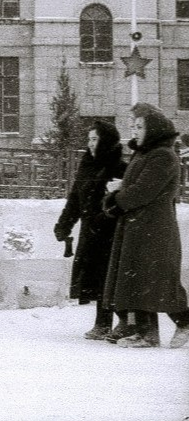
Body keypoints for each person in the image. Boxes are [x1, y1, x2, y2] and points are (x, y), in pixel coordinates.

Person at [100, 102, 189, 349]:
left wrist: (116, 200)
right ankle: (146, 333)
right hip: (139, 225)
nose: (134, 130)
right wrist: (120, 188)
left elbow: (143, 190)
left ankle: (184, 320)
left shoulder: (162, 155)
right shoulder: (145, 153)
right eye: (133, 125)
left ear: (154, 130)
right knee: (138, 278)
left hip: (154, 227)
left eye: (139, 126)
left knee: (158, 279)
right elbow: (137, 185)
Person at [53, 120, 127, 339]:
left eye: (95, 139)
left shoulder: (120, 167)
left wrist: (106, 214)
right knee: (95, 277)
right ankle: (102, 324)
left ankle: (123, 323)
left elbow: (123, 201)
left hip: (111, 232)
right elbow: (75, 199)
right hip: (91, 230)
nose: (91, 144)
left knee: (109, 278)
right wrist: (64, 225)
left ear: (107, 141)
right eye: (89, 139)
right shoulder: (87, 165)